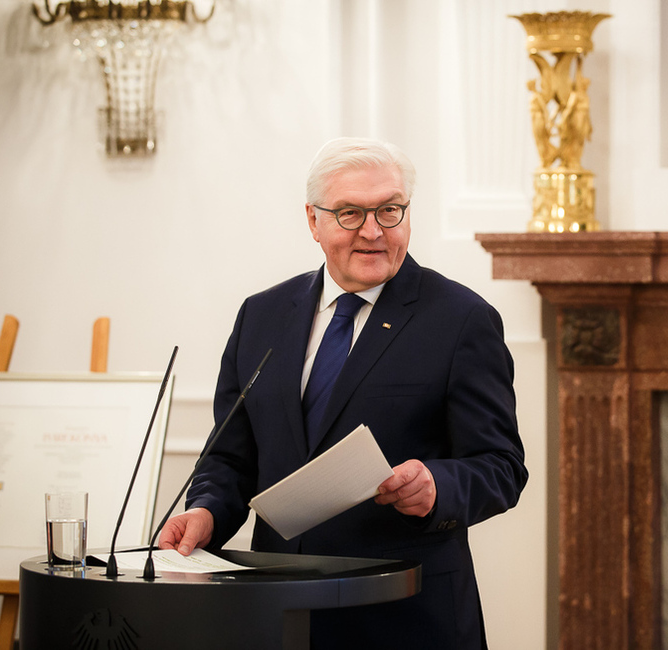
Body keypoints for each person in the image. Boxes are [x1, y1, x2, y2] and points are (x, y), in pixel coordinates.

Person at [158, 137, 528, 649]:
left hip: (404, 616)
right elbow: (229, 459)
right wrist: (205, 511)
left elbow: (501, 466)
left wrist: (436, 484)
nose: (373, 231)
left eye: (390, 211)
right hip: (277, 611)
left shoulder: (462, 320)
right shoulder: (261, 316)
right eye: (350, 213)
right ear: (313, 221)